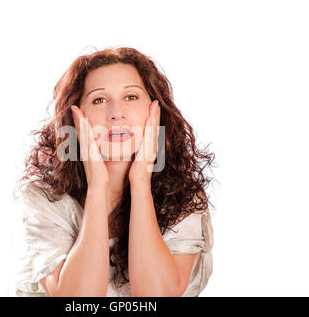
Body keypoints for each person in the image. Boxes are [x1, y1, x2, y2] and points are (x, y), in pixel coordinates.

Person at [13, 46, 216, 297]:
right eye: (99, 100)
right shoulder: (44, 196)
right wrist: (98, 186)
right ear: (76, 118)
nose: (116, 114)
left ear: (155, 110)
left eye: (131, 97)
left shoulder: (184, 198)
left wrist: (140, 181)